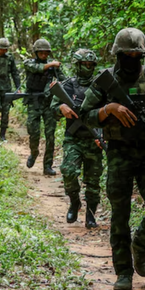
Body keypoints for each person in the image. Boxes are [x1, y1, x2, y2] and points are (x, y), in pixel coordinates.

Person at [76, 28, 145, 290]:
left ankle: (140, 245)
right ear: (118, 55)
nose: (132, 59)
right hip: (119, 153)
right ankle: (123, 272)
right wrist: (109, 109)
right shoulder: (105, 80)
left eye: (137, 55)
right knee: (120, 214)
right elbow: (84, 115)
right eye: (127, 55)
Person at [51, 48, 104, 228]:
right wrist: (61, 108)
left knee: (93, 180)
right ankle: (74, 201)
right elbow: (53, 108)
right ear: (77, 65)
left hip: (93, 138)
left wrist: (103, 136)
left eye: (90, 65)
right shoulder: (67, 85)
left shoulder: (100, 86)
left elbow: (108, 113)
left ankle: (91, 215)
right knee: (68, 171)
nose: (87, 68)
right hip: (73, 138)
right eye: (84, 64)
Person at [23, 38, 65, 175]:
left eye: (46, 53)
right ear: (36, 53)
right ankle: (34, 152)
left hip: (48, 102)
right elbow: (37, 68)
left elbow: (64, 80)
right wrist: (52, 64)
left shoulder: (53, 66)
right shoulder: (29, 63)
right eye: (41, 53)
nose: (44, 55)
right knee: (33, 132)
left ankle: (48, 165)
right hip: (34, 102)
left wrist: (59, 83)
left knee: (50, 135)